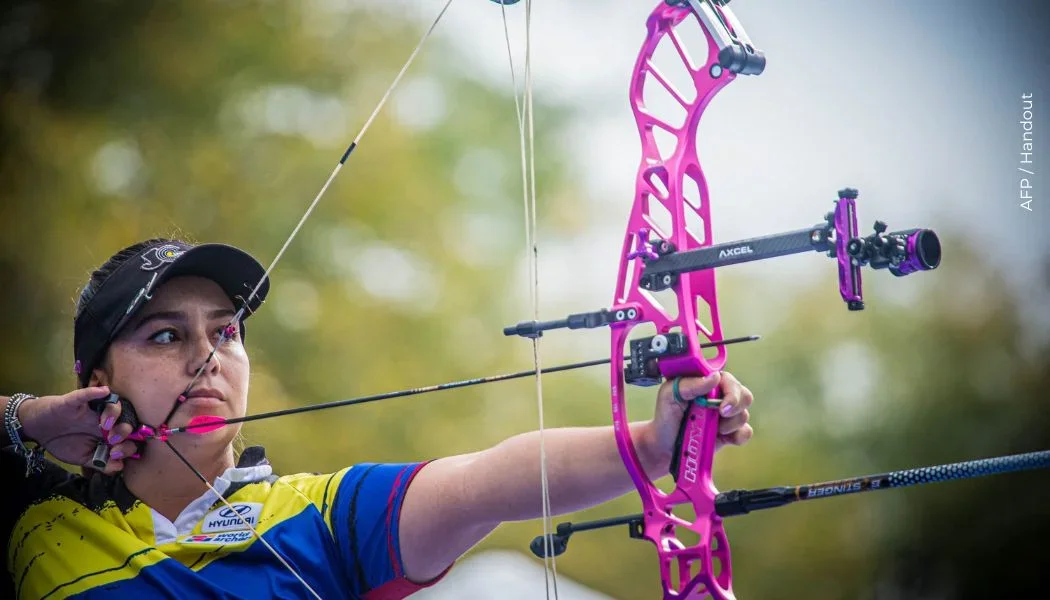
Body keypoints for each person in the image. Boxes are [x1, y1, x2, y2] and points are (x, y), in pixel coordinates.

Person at [1, 238, 754, 599]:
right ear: (96, 381)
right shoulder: (36, 524)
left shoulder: (317, 516)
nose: (207, 358)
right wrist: (28, 419)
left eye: (225, 332)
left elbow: (489, 482)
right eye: (166, 336)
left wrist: (654, 444)